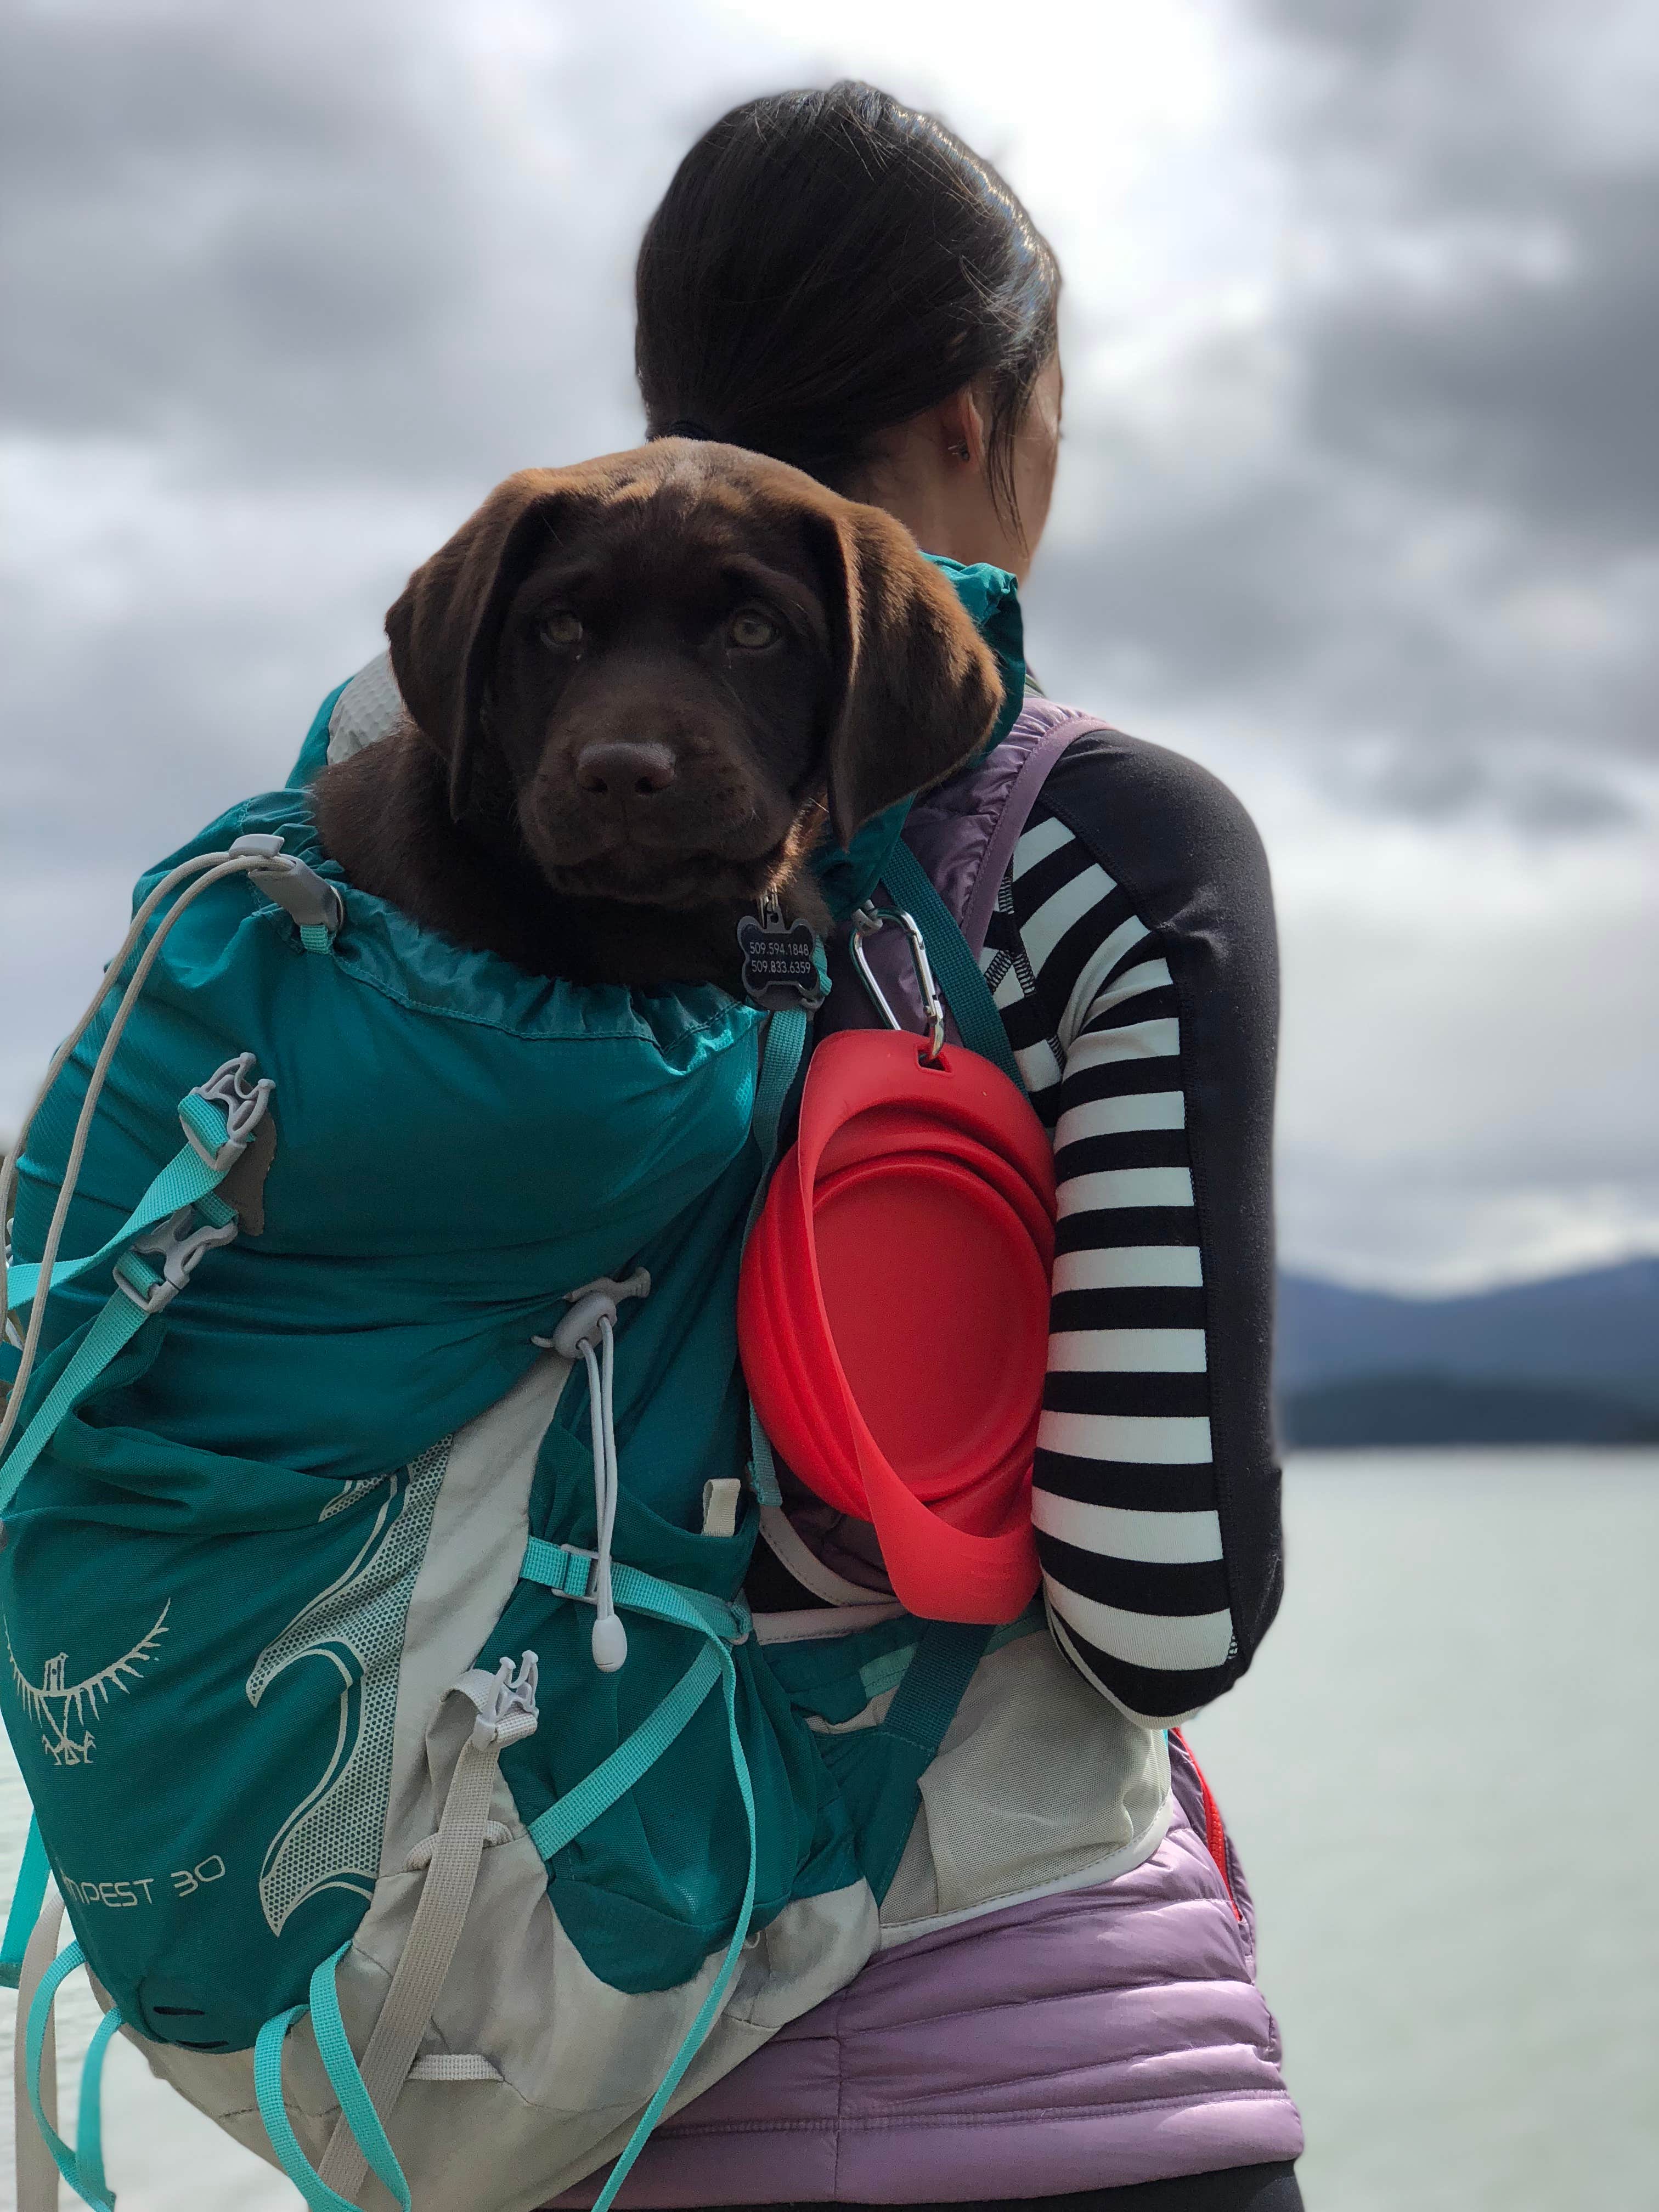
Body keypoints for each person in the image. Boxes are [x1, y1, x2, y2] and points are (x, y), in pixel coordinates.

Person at [552, 82, 1302, 2212]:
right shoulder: (1099, 846)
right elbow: (1164, 1601)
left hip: (557, 2085)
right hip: (1053, 2101)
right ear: (985, 415)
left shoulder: (485, 841)